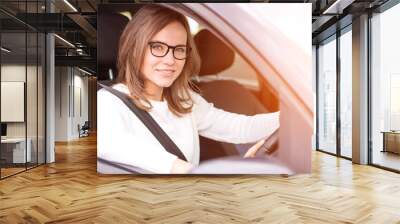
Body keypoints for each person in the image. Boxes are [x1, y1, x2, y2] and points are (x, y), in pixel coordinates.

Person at [97, 4, 280, 174]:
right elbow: (111, 144)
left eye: (179, 49)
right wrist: (188, 170)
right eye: (158, 47)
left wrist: (290, 119)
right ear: (135, 48)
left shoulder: (184, 99)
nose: (170, 60)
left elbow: (240, 128)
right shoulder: (108, 102)